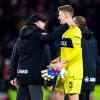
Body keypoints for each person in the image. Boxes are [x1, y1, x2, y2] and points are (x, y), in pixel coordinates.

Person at [9, 14, 69, 100]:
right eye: (42, 22)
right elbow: (52, 39)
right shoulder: (38, 34)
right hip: (34, 77)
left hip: (21, 76)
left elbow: (14, 58)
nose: (44, 24)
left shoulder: (20, 37)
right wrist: (67, 25)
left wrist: (13, 76)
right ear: (36, 23)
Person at [46, 5, 83, 100]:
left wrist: (61, 62)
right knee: (58, 94)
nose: (58, 17)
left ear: (66, 15)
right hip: (63, 69)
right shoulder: (65, 31)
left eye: (60, 15)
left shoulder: (75, 30)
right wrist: (58, 59)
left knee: (72, 96)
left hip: (73, 71)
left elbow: (77, 51)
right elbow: (67, 50)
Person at [73, 16, 100, 100]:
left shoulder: (76, 37)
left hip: (80, 73)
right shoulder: (93, 39)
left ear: (76, 24)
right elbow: (97, 59)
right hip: (91, 74)